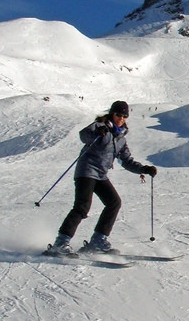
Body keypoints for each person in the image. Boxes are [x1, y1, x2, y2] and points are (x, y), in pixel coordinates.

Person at [46, 100, 157, 255]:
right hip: (86, 171)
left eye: (124, 116)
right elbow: (83, 135)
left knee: (114, 202)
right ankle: (61, 243)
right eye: (118, 114)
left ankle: (98, 240)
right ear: (112, 113)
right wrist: (96, 133)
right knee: (82, 206)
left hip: (100, 174)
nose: (121, 118)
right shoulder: (100, 125)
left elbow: (127, 161)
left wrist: (144, 169)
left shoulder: (121, 138)